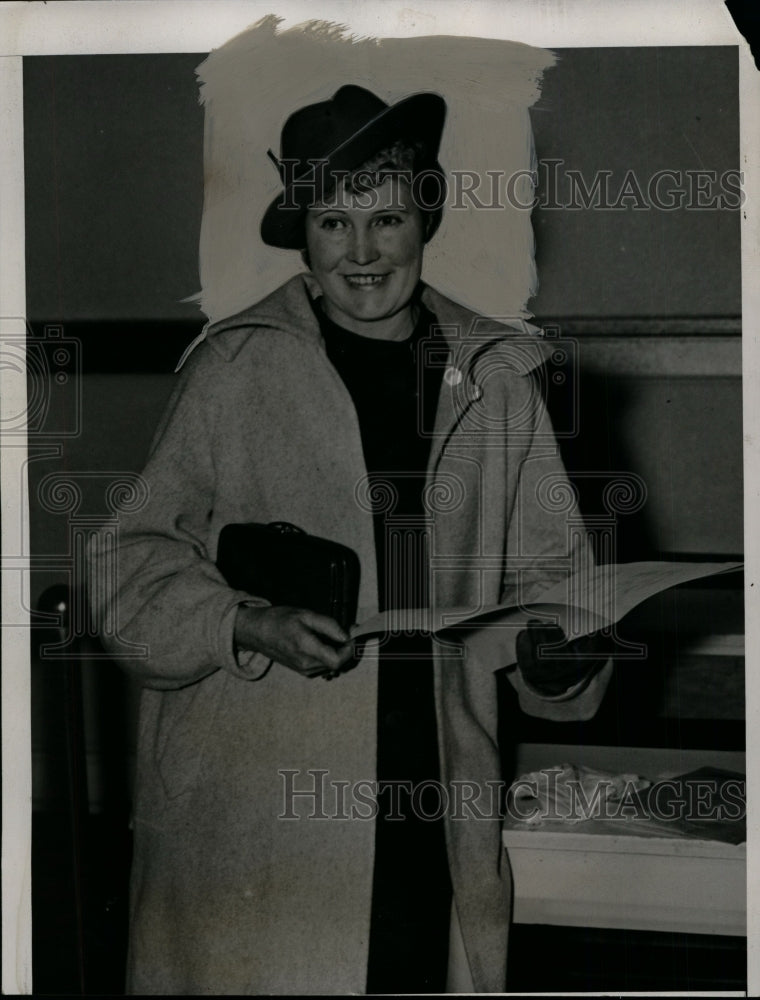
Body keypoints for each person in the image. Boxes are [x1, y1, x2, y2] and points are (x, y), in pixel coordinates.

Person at [90, 84, 612, 995]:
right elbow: (126, 570)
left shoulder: (498, 378)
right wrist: (245, 623)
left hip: (430, 787)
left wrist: (558, 653)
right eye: (334, 222)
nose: (363, 253)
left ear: (426, 221)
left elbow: (551, 582)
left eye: (388, 219)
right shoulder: (234, 368)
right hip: (260, 805)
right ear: (304, 237)